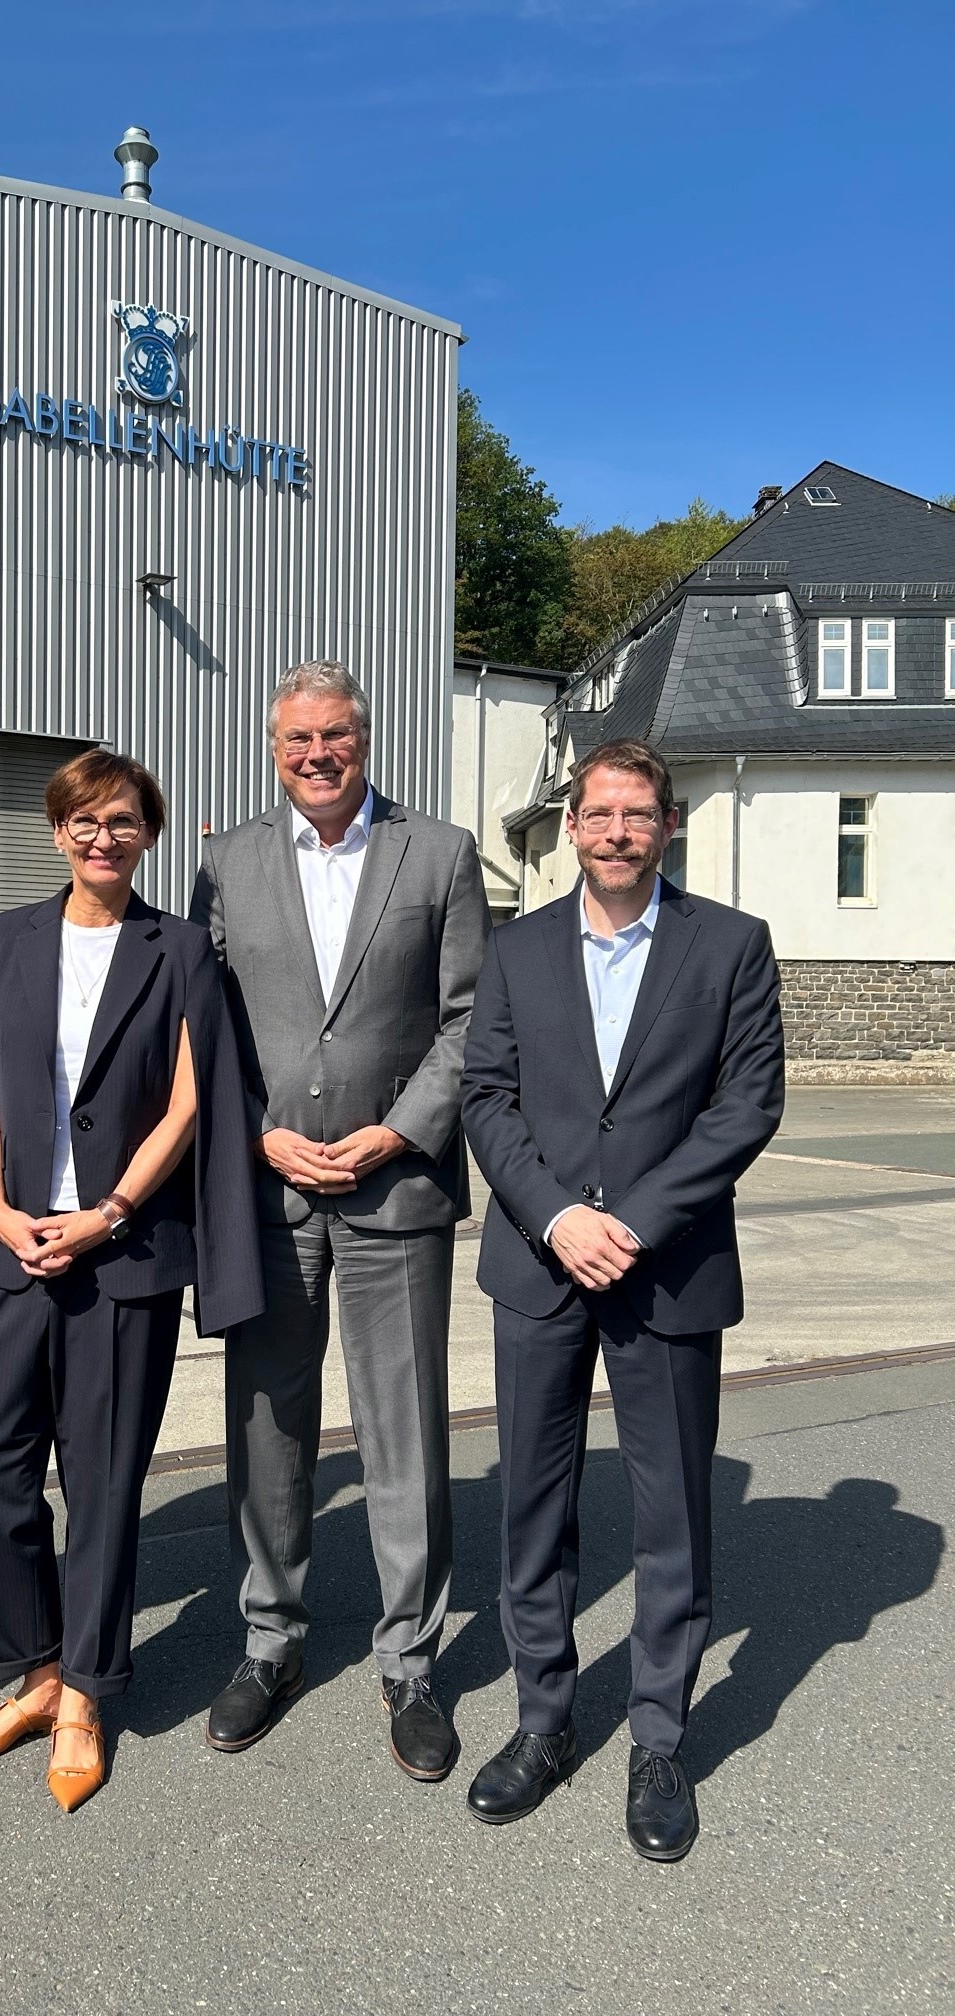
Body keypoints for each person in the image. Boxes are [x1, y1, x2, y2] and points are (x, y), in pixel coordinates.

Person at [0, 749, 264, 1814]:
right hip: (2, 1253)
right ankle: (33, 1672)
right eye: (83, 819)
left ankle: (85, 1696)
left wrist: (109, 1211)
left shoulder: (181, 951)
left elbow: (194, 1103)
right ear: (56, 830)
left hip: (121, 1261)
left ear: (148, 835)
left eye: (122, 820)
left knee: (105, 1488)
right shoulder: (6, 936)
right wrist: (1, 1206)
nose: (101, 836)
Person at [460, 737, 784, 1861]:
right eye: (596, 813)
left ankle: (658, 1736)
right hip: (539, 1266)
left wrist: (633, 1221)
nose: (615, 832)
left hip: (669, 1266)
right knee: (533, 1509)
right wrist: (558, 1216)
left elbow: (745, 1108)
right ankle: (544, 1722)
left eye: (636, 814)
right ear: (570, 825)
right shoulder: (518, 951)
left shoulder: (732, 947)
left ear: (668, 824)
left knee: (670, 1514)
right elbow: (485, 1097)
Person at [190, 660, 490, 1780]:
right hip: (266, 1192)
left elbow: (471, 1019)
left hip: (392, 1188)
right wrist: (254, 1134)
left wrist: (398, 1130)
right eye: (297, 739)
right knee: (267, 1427)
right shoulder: (228, 862)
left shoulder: (441, 853)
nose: (317, 754)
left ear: (365, 739)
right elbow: (203, 1023)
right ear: (275, 748)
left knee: (403, 1431)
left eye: (336, 736)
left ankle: (410, 1661)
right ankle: (271, 1641)